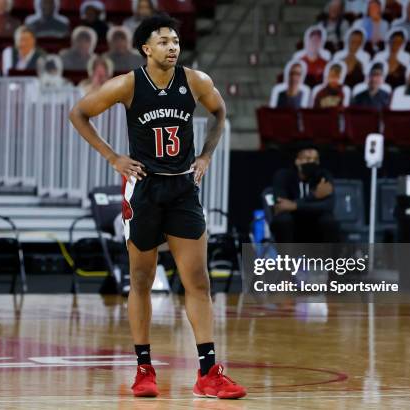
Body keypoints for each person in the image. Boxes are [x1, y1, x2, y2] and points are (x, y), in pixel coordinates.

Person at [69, 13, 246, 399]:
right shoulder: (128, 85)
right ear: (146, 49)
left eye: (176, 41)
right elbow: (78, 113)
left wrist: (206, 156)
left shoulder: (196, 81)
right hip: (145, 191)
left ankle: (208, 372)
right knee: (142, 280)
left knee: (198, 280)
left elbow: (219, 113)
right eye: (164, 41)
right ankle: (144, 368)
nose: (172, 47)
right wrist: (114, 157)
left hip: (183, 188)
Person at [270, 145, 339, 243]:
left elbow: (328, 205)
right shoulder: (283, 176)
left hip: (314, 221)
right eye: (308, 159)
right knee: (283, 219)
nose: (312, 162)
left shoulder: (323, 176)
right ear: (297, 161)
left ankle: (329, 257)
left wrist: (295, 205)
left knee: (329, 220)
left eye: (315, 159)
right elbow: (281, 206)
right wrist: (314, 196)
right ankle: (286, 257)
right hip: (293, 223)